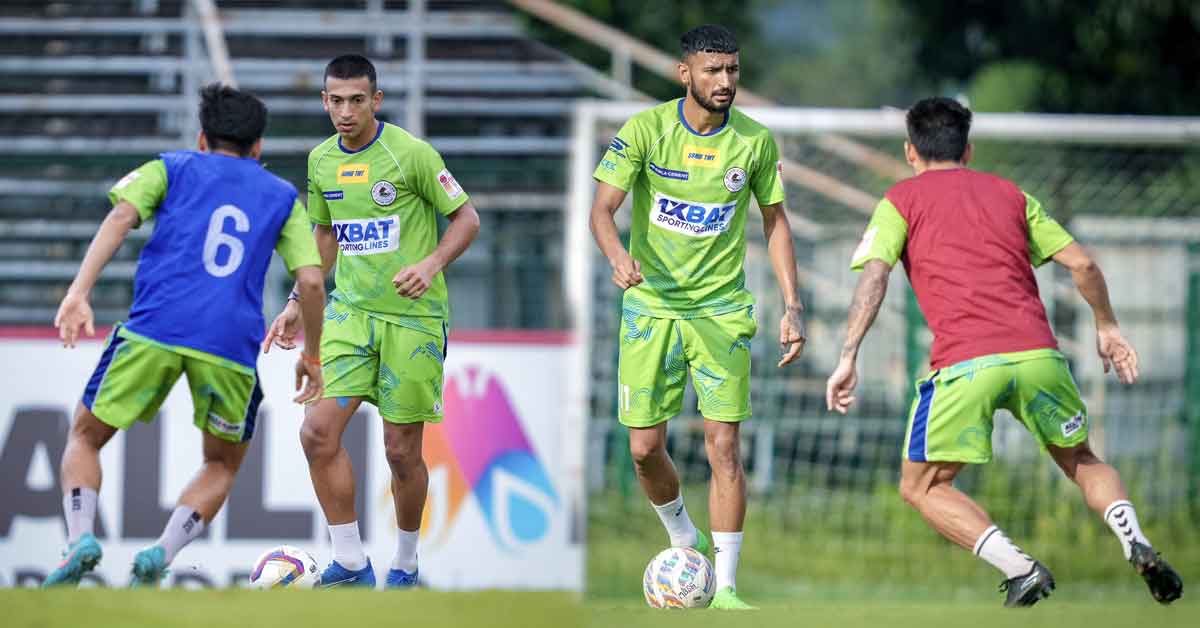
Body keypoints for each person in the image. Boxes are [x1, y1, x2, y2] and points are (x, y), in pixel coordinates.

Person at [826, 96, 1183, 607]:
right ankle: (1135, 540)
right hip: (1039, 355)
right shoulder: (1011, 195)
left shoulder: (900, 200)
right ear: (968, 150)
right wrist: (1107, 326)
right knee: (1082, 459)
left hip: (966, 363)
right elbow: (1083, 265)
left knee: (921, 487)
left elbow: (875, 277)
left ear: (910, 152)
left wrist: (848, 355)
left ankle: (1020, 568)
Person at [44, 83, 326, 587]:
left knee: (85, 435)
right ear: (257, 146)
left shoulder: (170, 167)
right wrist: (313, 354)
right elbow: (309, 279)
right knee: (220, 463)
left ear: (202, 138)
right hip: (230, 347)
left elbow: (121, 216)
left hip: (155, 328)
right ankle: (161, 555)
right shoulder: (283, 197)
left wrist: (78, 292)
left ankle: (80, 539)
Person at [588, 25, 806, 610]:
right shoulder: (646, 131)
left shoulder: (755, 142)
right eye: (713, 71)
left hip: (721, 310)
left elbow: (776, 222)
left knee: (724, 445)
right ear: (685, 73)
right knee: (642, 449)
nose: (726, 81)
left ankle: (728, 587)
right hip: (651, 306)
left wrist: (792, 303)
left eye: (732, 70)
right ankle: (683, 534)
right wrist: (617, 256)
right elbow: (603, 211)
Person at [263, 54, 480, 589]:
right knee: (316, 433)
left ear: (375, 101)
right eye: (335, 100)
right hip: (349, 316)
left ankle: (405, 565)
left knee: (401, 452)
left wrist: (430, 265)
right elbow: (326, 237)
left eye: (356, 100)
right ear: (323, 101)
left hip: (413, 321)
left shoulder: (411, 155)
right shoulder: (320, 162)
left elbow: (466, 219)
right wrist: (295, 301)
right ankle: (352, 563)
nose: (345, 111)